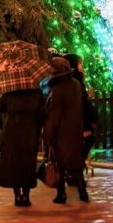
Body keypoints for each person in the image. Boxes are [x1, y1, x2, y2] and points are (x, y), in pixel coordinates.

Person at [43, 56, 87, 204]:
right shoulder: (76, 84)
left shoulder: (58, 90)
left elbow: (54, 115)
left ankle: (61, 194)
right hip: (75, 130)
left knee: (61, 165)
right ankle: (82, 191)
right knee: (76, 164)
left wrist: (48, 135)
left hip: (61, 133)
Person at [0, 88, 45, 206]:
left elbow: (0, 106)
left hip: (12, 130)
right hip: (29, 131)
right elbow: (42, 112)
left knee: (13, 164)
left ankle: (18, 195)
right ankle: (26, 196)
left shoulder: (10, 90)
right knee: (27, 164)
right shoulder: (35, 92)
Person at [64, 54, 99, 159]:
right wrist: (93, 118)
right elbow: (83, 102)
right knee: (86, 141)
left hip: (73, 121)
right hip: (78, 121)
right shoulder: (75, 81)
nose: (82, 66)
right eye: (80, 63)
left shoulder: (71, 80)